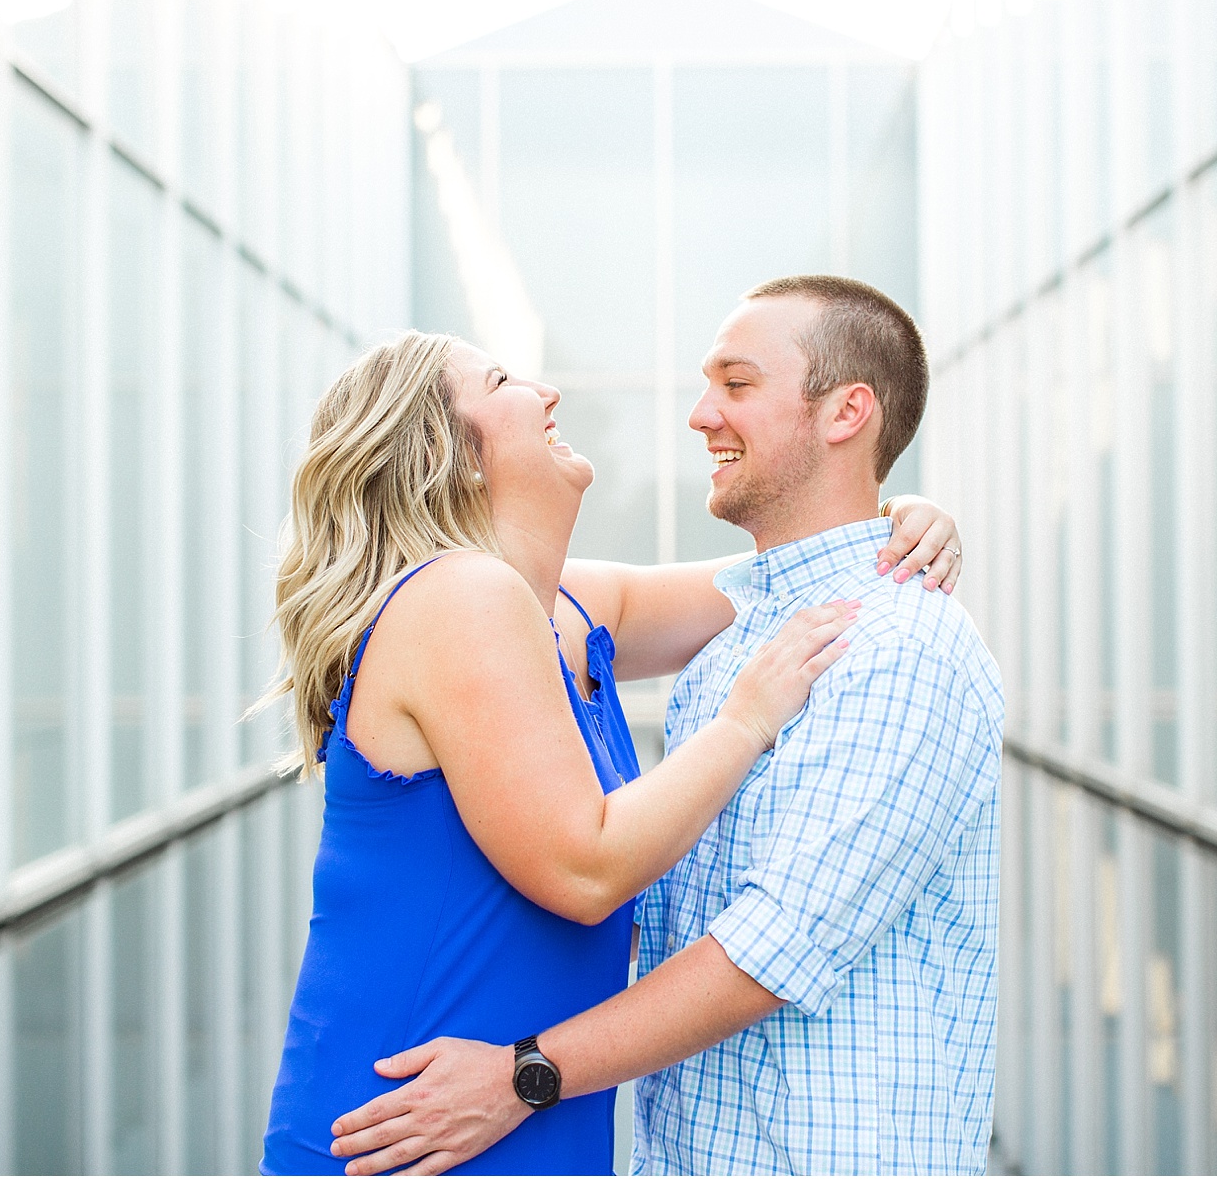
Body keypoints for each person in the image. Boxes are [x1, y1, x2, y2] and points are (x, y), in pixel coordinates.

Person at [327, 276, 1003, 1176]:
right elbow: (608, 877)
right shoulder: (732, 653)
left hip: (582, 1114)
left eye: (736, 384)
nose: (698, 415)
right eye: (501, 385)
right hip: (439, 1103)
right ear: (451, 457)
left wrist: (893, 515)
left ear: (847, 411)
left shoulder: (893, 644)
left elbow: (771, 946)